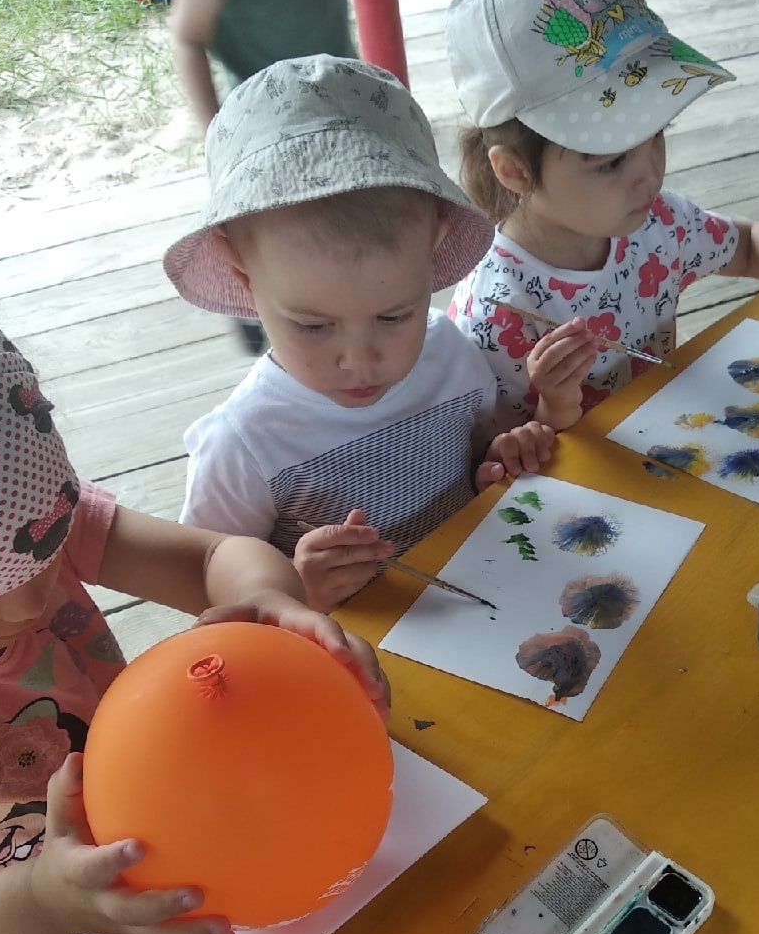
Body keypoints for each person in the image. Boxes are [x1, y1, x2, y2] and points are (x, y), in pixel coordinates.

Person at [0, 277, 387, 934]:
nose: (35, 594)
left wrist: (269, 601)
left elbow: (214, 558)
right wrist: (46, 902)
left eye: (47, 544)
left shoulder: (27, 520)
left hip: (172, 827)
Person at [165, 55, 562, 613]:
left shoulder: (450, 355)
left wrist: (502, 455)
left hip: (489, 609)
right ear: (241, 273)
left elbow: (479, 457)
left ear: (432, 249)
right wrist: (295, 591)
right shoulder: (245, 445)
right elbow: (207, 591)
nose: (360, 359)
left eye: (394, 316)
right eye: (314, 326)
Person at [444, 0, 759, 431]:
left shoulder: (656, 224)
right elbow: (495, 456)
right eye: (612, 162)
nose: (650, 174)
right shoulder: (495, 312)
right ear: (515, 171)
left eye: (657, 135)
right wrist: (555, 404)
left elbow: (747, 245)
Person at [170, 0, 356, 355]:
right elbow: (188, 35)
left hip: (338, 100)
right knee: (290, 276)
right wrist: (222, 151)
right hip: (272, 130)